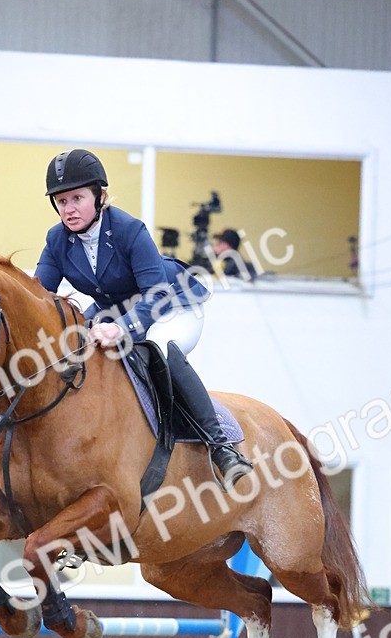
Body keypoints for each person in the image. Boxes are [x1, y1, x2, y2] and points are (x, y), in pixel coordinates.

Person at [35, 149, 252, 488]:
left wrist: (120, 328)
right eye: (61, 201)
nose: (69, 209)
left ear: (99, 196)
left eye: (77, 198)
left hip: (173, 303)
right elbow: (40, 296)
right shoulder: (56, 240)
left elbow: (156, 293)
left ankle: (222, 447)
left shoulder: (128, 229)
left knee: (162, 350)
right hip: (117, 309)